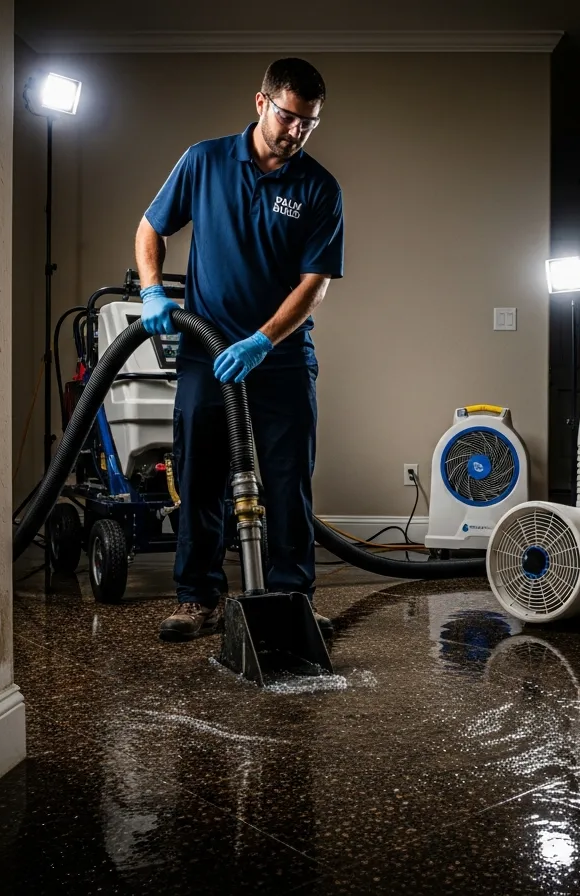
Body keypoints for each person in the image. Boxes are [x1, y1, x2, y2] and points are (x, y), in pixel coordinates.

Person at [133, 58, 344, 641]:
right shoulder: (203, 161)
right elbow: (152, 227)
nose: (295, 131)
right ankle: (197, 598)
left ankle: (290, 597)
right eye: (287, 116)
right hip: (207, 352)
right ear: (261, 103)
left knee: (287, 480)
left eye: (309, 123)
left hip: (279, 357)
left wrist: (262, 340)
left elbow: (315, 284)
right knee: (201, 474)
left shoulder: (319, 187)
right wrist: (152, 289)